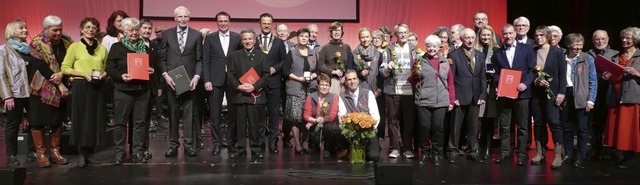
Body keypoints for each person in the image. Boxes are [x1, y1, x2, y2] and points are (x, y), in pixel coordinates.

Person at [106, 17, 157, 165]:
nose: (134, 33)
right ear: (124, 31)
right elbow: (109, 67)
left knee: (140, 123)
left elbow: (152, 66)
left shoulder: (146, 48)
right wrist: (120, 76)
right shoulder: (117, 47)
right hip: (123, 90)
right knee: (120, 123)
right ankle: (119, 153)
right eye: (131, 30)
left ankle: (137, 152)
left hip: (142, 90)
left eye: (136, 30)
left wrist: (151, 70)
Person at [61, 17, 108, 168]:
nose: (90, 30)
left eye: (94, 28)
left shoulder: (102, 48)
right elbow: (65, 68)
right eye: (87, 27)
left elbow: (107, 67)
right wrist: (83, 74)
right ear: (81, 29)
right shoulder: (74, 47)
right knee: (81, 119)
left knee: (94, 120)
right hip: (81, 86)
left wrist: (103, 75)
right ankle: (81, 154)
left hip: (97, 86)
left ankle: (90, 154)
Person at [28, 15, 74, 167]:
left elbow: (71, 62)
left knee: (57, 121)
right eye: (54, 30)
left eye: (60, 29)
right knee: (38, 122)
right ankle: (41, 154)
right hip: (41, 88)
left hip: (62, 86)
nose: (58, 33)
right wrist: (60, 84)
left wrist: (63, 75)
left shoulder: (67, 42)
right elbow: (42, 68)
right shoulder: (36, 44)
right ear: (45, 29)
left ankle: (55, 152)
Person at [159, 6, 203, 157]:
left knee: (189, 115)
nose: (183, 19)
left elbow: (199, 59)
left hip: (190, 81)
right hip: (172, 81)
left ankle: (189, 144)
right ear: (175, 18)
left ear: (189, 18)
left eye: (185, 16)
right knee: (173, 114)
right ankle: (173, 145)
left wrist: (196, 77)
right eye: (180, 17)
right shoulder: (167, 34)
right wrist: (165, 75)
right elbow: (162, 58)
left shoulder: (196, 35)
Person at [492, 24, 536, 166]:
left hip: (522, 93)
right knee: (505, 126)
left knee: (522, 126)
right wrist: (499, 85)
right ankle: (505, 153)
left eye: (511, 33)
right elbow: (495, 73)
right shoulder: (497, 52)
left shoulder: (527, 49)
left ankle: (521, 154)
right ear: (502, 35)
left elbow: (532, 70)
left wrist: (526, 83)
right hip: (505, 94)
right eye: (505, 34)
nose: (508, 36)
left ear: (515, 33)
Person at [227, 28, 270, 159]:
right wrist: (239, 86)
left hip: (255, 95)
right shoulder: (234, 56)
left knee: (255, 124)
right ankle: (240, 149)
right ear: (241, 41)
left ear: (255, 40)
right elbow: (230, 74)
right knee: (240, 124)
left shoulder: (262, 56)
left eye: (250, 38)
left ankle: (256, 148)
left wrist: (254, 86)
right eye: (245, 39)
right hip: (239, 95)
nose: (247, 41)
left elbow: (266, 75)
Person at [202, 11, 242, 155]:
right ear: (217, 22)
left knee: (233, 114)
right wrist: (206, 79)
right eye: (220, 21)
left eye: (225, 21)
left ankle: (231, 142)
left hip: (233, 81)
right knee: (215, 114)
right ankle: (216, 143)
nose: (223, 23)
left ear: (229, 22)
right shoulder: (210, 38)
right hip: (215, 80)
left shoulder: (237, 38)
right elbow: (205, 61)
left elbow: (241, 59)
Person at [529, 25, 567, 169]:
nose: (539, 38)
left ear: (548, 36)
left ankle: (558, 154)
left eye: (541, 35)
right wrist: (537, 80)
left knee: (553, 121)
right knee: (538, 122)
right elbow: (529, 72)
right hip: (536, 93)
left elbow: (562, 74)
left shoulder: (557, 52)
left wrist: (561, 92)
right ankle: (540, 152)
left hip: (553, 93)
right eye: (537, 35)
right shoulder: (532, 52)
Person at [447, 28, 487, 163]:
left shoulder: (480, 55)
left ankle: (472, 150)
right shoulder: (453, 55)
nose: (470, 40)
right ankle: (452, 150)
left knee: (473, 127)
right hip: (460, 96)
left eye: (472, 37)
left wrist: (482, 95)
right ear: (462, 39)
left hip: (475, 96)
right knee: (456, 126)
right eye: (467, 38)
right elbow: (450, 78)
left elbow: (482, 77)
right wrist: (453, 97)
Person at [415, 35, 456, 166]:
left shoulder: (445, 62)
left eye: (434, 46)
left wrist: (451, 101)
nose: (431, 48)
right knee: (424, 127)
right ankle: (425, 153)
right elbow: (412, 80)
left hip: (441, 100)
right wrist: (416, 73)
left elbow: (450, 82)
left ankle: (437, 154)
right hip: (424, 100)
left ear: (439, 47)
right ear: (425, 47)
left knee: (438, 128)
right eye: (429, 46)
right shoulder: (419, 61)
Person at [379, 23, 417, 159]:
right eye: (400, 33)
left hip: (408, 88)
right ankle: (395, 147)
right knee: (393, 120)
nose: (403, 35)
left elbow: (418, 68)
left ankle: (407, 147)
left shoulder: (414, 49)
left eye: (405, 32)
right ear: (395, 35)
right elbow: (382, 72)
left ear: (408, 33)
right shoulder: (388, 50)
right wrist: (388, 68)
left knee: (408, 119)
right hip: (392, 88)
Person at [604, 27, 640, 169]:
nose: (624, 40)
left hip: (633, 97)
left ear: (635, 39)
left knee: (631, 130)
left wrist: (636, 73)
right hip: (616, 96)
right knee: (619, 129)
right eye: (623, 38)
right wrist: (607, 76)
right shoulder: (616, 56)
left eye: (628, 38)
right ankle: (622, 156)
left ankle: (631, 158)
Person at [560, 33, 597, 168]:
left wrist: (590, 100)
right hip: (565, 95)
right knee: (567, 128)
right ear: (569, 45)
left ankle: (580, 156)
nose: (578, 48)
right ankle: (569, 154)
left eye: (581, 45)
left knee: (582, 129)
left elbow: (593, 81)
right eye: (576, 46)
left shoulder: (587, 59)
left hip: (581, 96)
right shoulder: (562, 57)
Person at [254, 13, 287, 154]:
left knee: (274, 115)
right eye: (264, 23)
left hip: (274, 83)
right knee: (260, 115)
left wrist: (275, 68)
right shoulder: (254, 41)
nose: (266, 25)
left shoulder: (278, 42)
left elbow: (284, 61)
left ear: (272, 25)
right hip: (258, 83)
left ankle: (273, 143)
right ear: (259, 24)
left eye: (269, 23)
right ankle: (260, 142)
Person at [0, 19, 31, 167]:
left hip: (31, 92)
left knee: (35, 122)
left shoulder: (28, 49)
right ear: (12, 31)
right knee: (13, 124)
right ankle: (11, 154)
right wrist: (7, 95)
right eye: (21, 28)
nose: (25, 30)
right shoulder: (3, 50)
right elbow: (1, 74)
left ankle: (32, 151)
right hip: (15, 92)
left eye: (25, 28)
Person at [283, 28, 318, 154]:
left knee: (306, 117)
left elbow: (317, 70)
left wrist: (313, 76)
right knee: (295, 118)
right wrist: (299, 79)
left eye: (306, 36)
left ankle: (304, 143)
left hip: (310, 89)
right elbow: (286, 71)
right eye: (301, 36)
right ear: (297, 38)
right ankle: (297, 145)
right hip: (296, 88)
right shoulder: (292, 52)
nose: (304, 38)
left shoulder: (313, 52)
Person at [586, 30, 618, 161]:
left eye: (603, 39)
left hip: (611, 93)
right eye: (597, 39)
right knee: (595, 124)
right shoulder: (588, 54)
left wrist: (612, 75)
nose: (600, 42)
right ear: (593, 40)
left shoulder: (615, 54)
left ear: (608, 39)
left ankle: (614, 151)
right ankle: (596, 149)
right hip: (594, 93)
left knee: (612, 123)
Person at [338, 69, 381, 162]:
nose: (352, 81)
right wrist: (350, 133)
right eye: (349, 79)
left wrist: (369, 131)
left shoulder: (368, 93)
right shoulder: (342, 96)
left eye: (354, 78)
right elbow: (341, 117)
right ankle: (348, 149)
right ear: (345, 82)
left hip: (367, 131)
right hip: (351, 133)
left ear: (358, 80)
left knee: (373, 157)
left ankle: (368, 148)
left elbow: (375, 116)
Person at [473, 25, 501, 160]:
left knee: (489, 119)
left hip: (491, 88)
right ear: (479, 36)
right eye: (483, 35)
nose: (486, 37)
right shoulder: (474, 50)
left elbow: (501, 68)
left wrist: (493, 71)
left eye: (488, 35)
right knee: (476, 119)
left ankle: (488, 147)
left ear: (492, 36)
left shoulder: (497, 50)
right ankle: (476, 146)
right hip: (476, 88)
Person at [303, 74, 342, 158]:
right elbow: (306, 115)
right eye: (322, 85)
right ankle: (314, 146)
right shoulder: (311, 97)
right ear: (318, 85)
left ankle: (328, 148)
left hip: (328, 125)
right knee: (314, 139)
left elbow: (333, 115)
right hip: (315, 125)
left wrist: (322, 119)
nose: (324, 87)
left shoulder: (334, 97)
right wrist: (315, 120)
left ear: (330, 86)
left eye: (327, 85)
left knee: (329, 128)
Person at [139, 18, 161, 160]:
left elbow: (157, 66)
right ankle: (137, 148)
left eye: (149, 28)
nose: (147, 31)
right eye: (144, 28)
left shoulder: (153, 45)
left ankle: (144, 148)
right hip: (137, 87)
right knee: (138, 121)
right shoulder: (135, 44)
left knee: (147, 120)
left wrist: (158, 86)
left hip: (150, 86)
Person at [318, 21, 354, 95]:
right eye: (334, 30)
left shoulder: (346, 47)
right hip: (332, 81)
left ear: (341, 32)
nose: (336, 32)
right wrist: (333, 72)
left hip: (345, 81)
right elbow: (320, 66)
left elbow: (350, 65)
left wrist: (346, 76)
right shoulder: (325, 48)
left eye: (338, 30)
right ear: (330, 32)